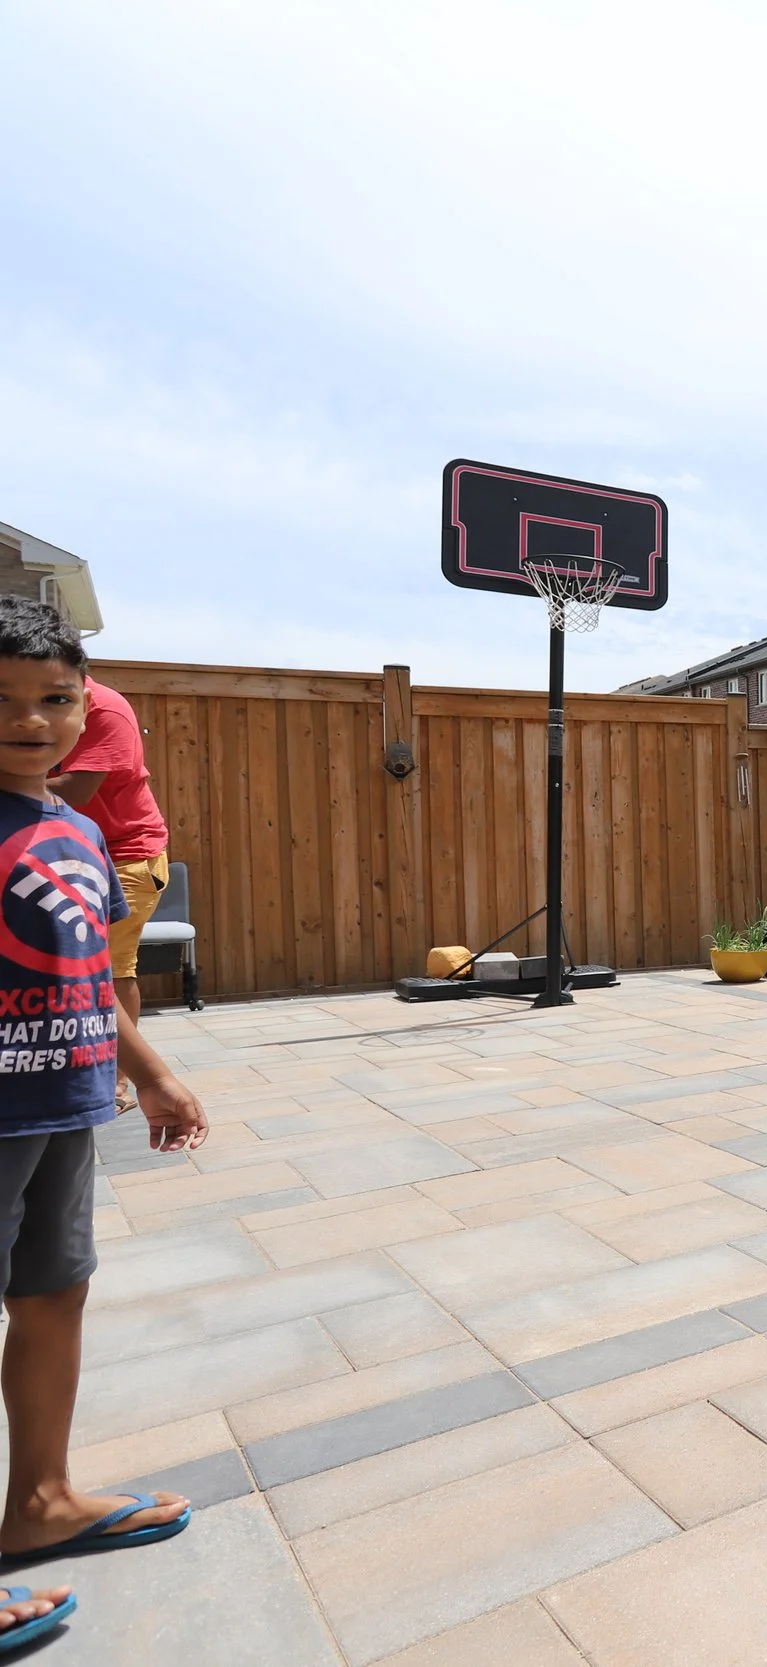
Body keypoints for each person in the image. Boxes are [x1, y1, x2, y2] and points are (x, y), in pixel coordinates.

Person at [0, 599, 208, 1651]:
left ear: (88, 708)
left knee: (53, 1293)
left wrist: (154, 1074)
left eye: (52, 698)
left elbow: (88, 977)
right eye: (1, 700)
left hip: (64, 1100)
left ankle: (37, 1499)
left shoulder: (77, 828)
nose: (30, 719)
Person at [48, 668, 169, 1105]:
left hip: (126, 858)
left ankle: (120, 1080)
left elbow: (77, 789)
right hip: (74, 852)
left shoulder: (106, 708)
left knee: (112, 969)